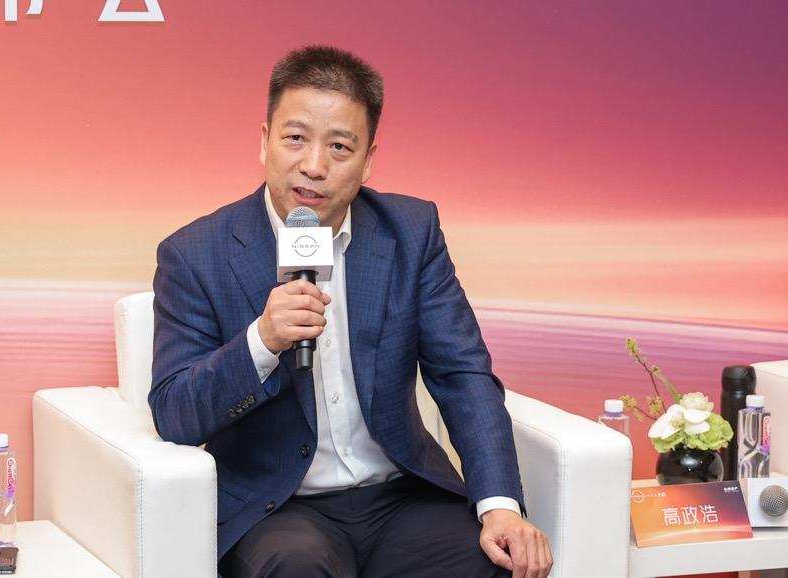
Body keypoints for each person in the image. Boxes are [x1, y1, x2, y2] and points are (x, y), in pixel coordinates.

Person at [150, 45, 553, 578]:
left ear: (368, 160)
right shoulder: (195, 254)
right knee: (298, 568)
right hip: (279, 508)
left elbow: (462, 374)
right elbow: (175, 413)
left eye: (339, 147)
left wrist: (499, 506)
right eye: (295, 139)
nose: (314, 167)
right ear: (264, 140)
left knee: (498, 562)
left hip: (401, 496)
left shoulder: (411, 233)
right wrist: (262, 341)